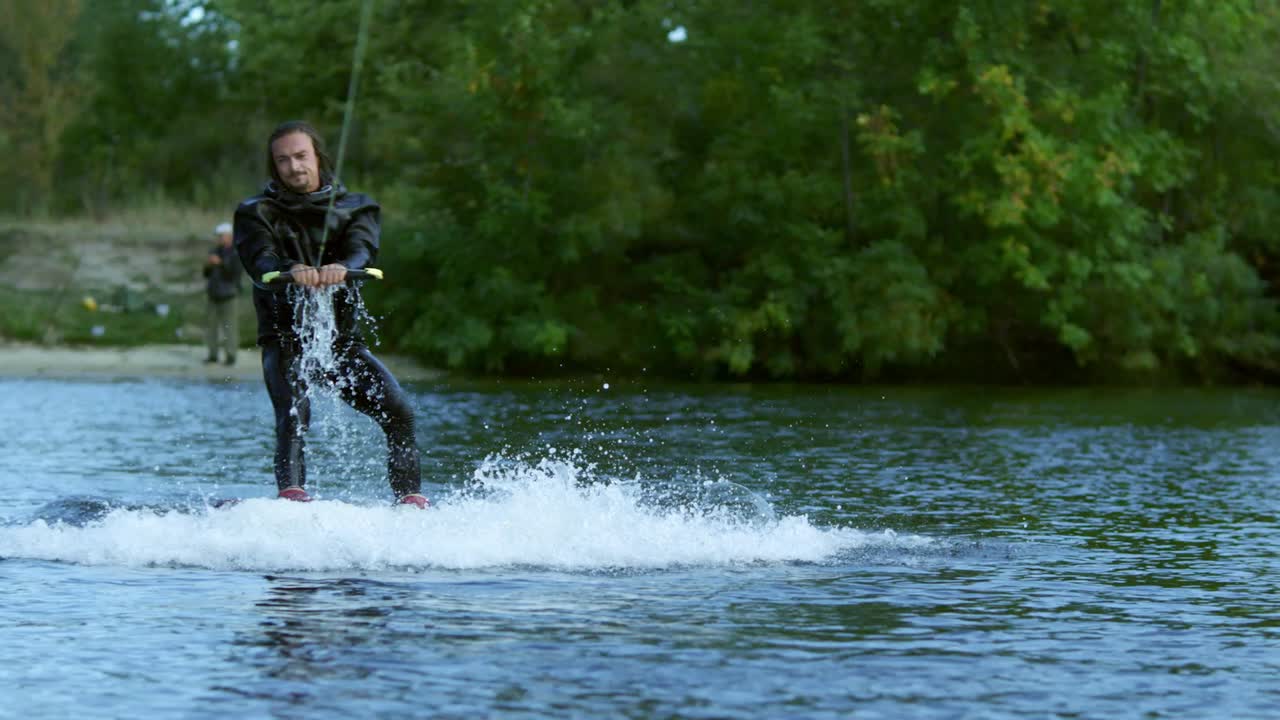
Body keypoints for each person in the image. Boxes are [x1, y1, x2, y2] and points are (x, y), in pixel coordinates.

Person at [232, 120, 429, 508]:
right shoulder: (256, 213)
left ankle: (410, 503)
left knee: (400, 412)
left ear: (317, 157)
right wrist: (291, 270)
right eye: (283, 160)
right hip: (286, 340)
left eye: (301, 156)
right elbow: (261, 260)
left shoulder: (357, 208)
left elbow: (363, 252)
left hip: (341, 344)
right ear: (275, 167)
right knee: (294, 417)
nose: (294, 167)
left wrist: (343, 266)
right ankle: (292, 500)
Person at [202, 222, 242, 365]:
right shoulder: (215, 251)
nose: (219, 239)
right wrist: (208, 265)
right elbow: (206, 274)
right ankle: (213, 355)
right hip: (213, 294)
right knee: (211, 327)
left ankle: (231, 355)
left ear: (229, 236)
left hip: (229, 295)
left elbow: (234, 274)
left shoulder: (236, 253)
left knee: (229, 327)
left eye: (221, 236)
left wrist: (220, 263)